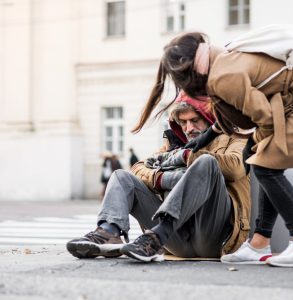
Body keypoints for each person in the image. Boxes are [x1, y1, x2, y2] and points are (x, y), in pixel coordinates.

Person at [132, 30, 293, 268]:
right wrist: (209, 134)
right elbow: (250, 105)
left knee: (266, 168)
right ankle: (259, 244)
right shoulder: (224, 57)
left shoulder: (222, 75)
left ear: (189, 71)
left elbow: (264, 118)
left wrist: (257, 147)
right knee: (259, 160)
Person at [66, 92, 250, 262]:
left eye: (195, 120)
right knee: (122, 177)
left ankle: (158, 235)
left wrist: (186, 156)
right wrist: (162, 179)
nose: (189, 128)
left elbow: (236, 167)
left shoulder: (233, 135)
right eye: (183, 122)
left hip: (213, 235)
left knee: (207, 162)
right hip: (177, 241)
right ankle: (108, 232)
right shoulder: (174, 142)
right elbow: (138, 168)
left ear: (209, 118)